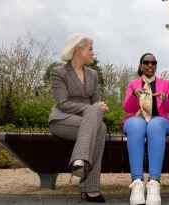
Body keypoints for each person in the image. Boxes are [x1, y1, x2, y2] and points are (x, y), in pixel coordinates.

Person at [48, 33, 108, 203]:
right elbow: (63, 103)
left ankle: (80, 162)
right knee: (98, 123)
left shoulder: (93, 74)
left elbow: (95, 101)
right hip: (62, 120)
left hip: (87, 121)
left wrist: (99, 106)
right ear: (78, 49)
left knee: (101, 126)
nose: (93, 53)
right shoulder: (58, 72)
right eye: (90, 49)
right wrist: (93, 109)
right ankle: (90, 187)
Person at [122, 53, 169, 205]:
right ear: (141, 66)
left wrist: (166, 98)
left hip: (160, 120)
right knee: (136, 124)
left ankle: (154, 183)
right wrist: (134, 95)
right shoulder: (133, 84)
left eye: (153, 62)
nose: (150, 65)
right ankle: (137, 183)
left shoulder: (165, 83)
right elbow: (127, 108)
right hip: (137, 118)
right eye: (146, 62)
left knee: (154, 125)